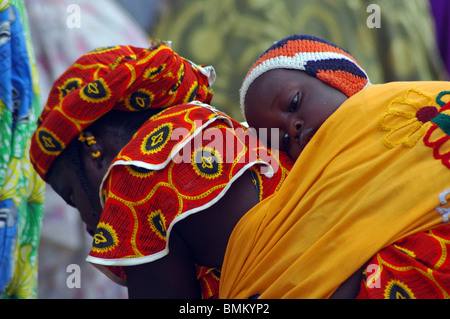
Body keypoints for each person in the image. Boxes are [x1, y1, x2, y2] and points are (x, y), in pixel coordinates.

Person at [29, 42, 293, 298]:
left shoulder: (139, 173)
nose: (86, 224)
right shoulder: (217, 131)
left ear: (93, 148)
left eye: (72, 196)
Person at [219, 34, 450, 299]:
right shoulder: (317, 195)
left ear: (337, 76)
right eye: (282, 141)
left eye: (294, 103)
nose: (292, 128)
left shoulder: (406, 105)